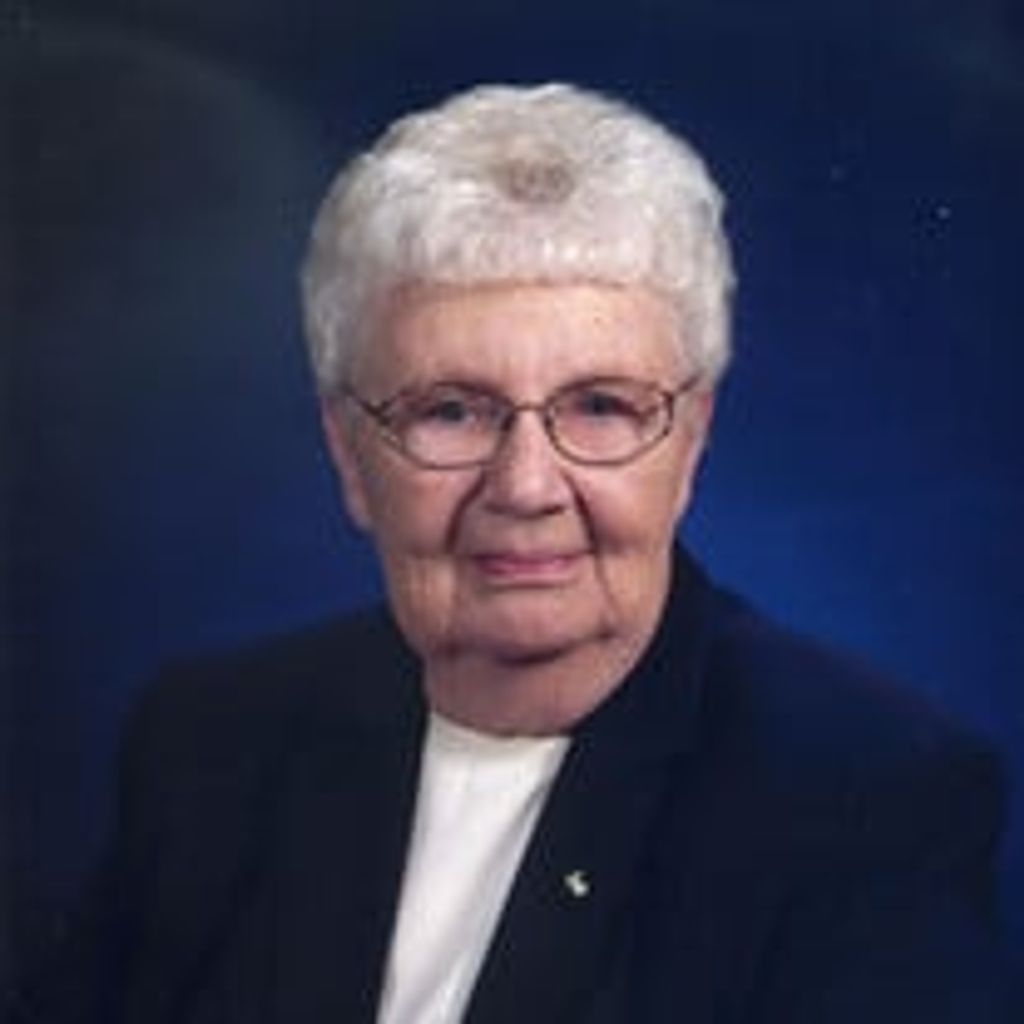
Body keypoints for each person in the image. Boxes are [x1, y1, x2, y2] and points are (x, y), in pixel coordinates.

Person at [13, 82, 1019, 1023]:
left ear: (689, 447)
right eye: (451, 410)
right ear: (350, 457)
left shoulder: (863, 803)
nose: (528, 485)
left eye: (601, 406)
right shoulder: (210, 742)